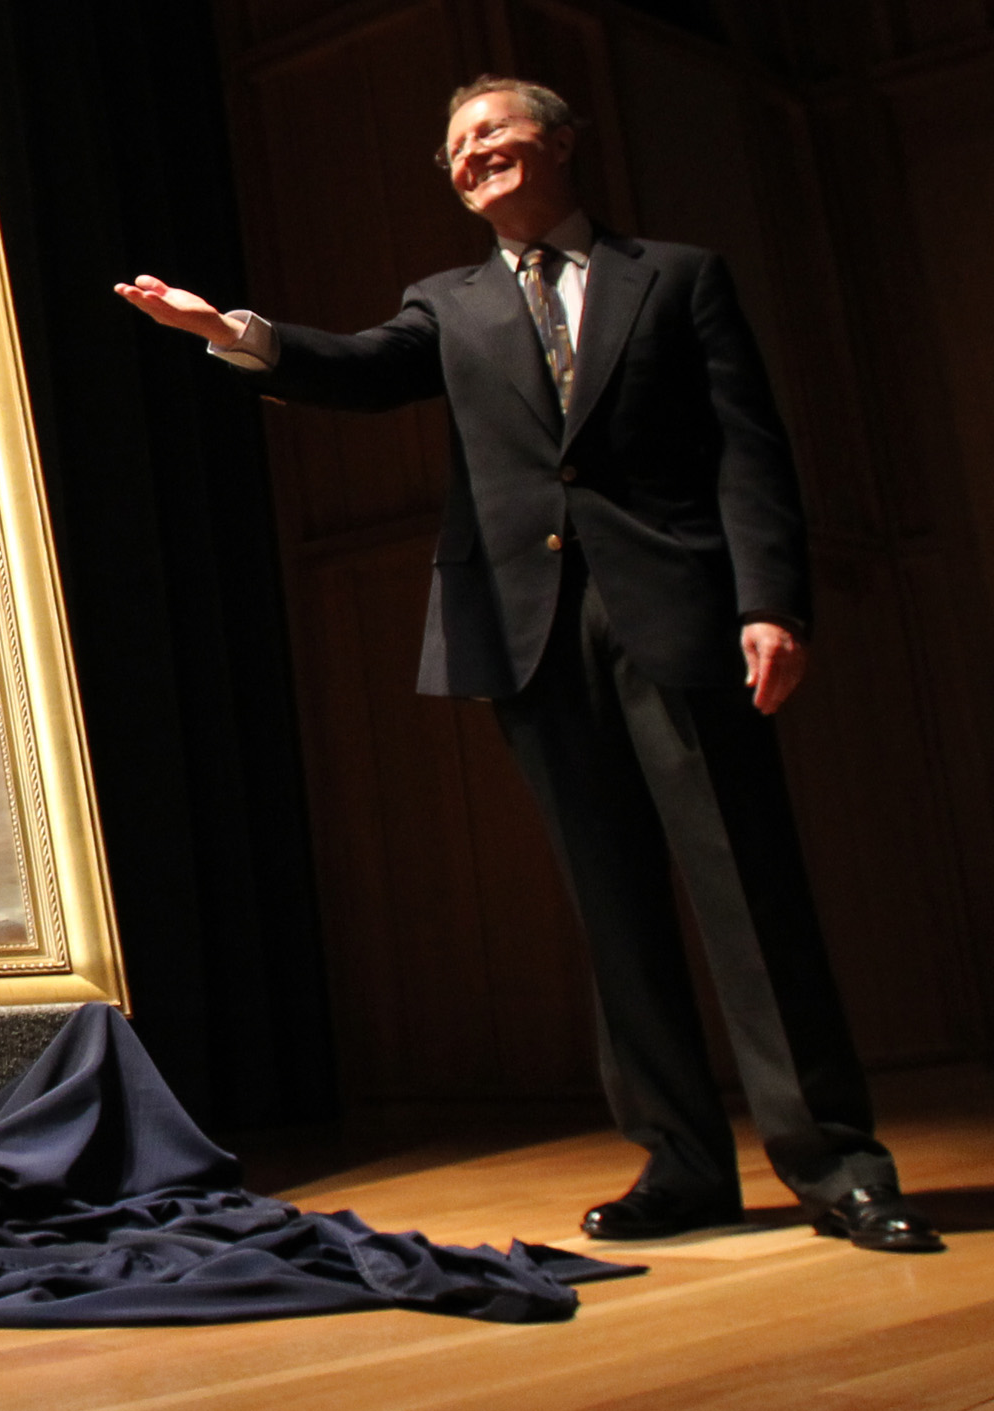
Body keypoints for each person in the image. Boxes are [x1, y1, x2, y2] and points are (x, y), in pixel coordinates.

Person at [114, 76, 937, 1254]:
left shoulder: (679, 277)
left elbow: (746, 450)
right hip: (528, 629)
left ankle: (839, 1166)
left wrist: (769, 602)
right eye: (454, 146)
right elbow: (360, 367)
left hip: (680, 614)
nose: (470, 154)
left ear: (557, 141)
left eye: (490, 130)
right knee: (614, 910)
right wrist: (230, 333)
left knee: (750, 895)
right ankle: (682, 1166)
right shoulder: (446, 304)